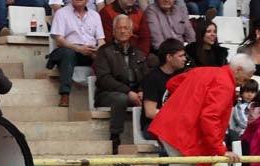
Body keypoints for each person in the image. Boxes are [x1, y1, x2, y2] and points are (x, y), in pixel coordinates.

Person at [148, 56, 254, 166]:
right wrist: (220, 149)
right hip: (185, 135)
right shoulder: (225, 84)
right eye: (246, 79)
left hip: (173, 129)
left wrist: (187, 103)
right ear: (239, 70)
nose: (244, 84)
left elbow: (172, 83)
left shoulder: (205, 70)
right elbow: (210, 117)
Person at [94, 14, 148, 154]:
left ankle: (150, 134)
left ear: (131, 32)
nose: (122, 31)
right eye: (119, 28)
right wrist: (127, 92)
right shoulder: (104, 51)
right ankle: (115, 137)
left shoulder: (138, 54)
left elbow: (146, 77)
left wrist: (142, 90)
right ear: (113, 31)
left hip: (134, 94)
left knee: (152, 96)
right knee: (120, 98)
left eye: (125, 28)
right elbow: (104, 78)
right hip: (107, 94)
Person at [49, 0, 105, 107]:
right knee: (68, 54)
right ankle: (64, 95)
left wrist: (97, 50)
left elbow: (101, 41)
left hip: (90, 51)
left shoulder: (95, 15)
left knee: (107, 55)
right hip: (69, 48)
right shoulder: (61, 13)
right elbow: (59, 40)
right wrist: (78, 48)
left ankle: (105, 94)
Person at [142, 38, 186, 138]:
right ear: (169, 57)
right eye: (181, 56)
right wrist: (176, 117)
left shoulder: (182, 76)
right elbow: (150, 112)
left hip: (177, 125)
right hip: (153, 125)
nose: (184, 59)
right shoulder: (152, 78)